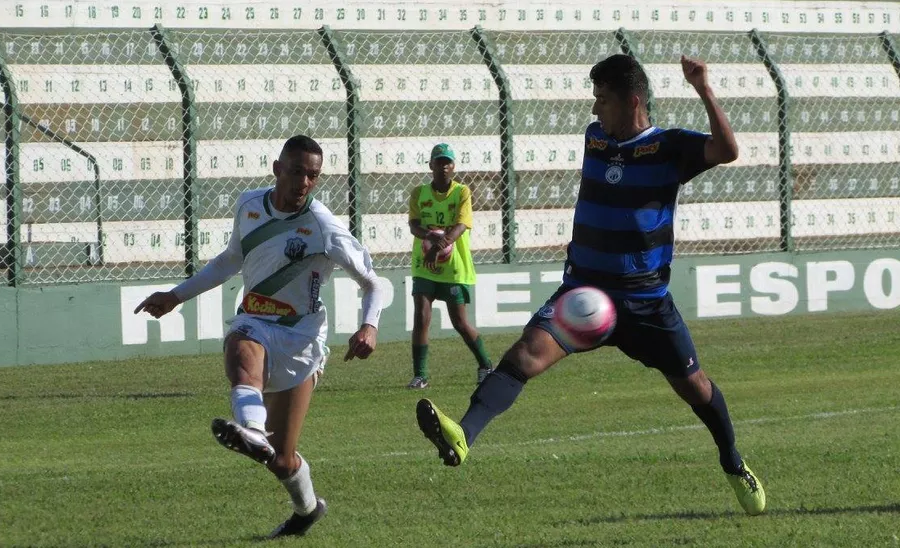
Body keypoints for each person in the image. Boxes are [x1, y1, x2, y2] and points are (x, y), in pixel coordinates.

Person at [414, 55, 767, 516]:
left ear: (633, 101)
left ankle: (733, 462)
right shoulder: (596, 137)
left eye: (603, 99)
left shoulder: (669, 147)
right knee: (523, 355)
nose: (596, 109)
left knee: (696, 387)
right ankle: (463, 434)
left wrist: (703, 89)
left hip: (645, 303)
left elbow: (727, 150)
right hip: (584, 293)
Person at [135, 135, 384, 537]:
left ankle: (306, 510)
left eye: (314, 175)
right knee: (240, 349)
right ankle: (251, 427)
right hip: (256, 320)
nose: (305, 182)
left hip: (302, 339)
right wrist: (176, 296)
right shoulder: (249, 205)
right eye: (298, 171)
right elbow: (231, 259)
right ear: (277, 169)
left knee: (282, 461)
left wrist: (369, 325)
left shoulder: (324, 226)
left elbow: (374, 283)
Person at [406, 143, 493, 389]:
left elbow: (461, 225)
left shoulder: (462, 192)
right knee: (421, 317)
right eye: (439, 162)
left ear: (453, 166)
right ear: (430, 166)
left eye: (448, 162)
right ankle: (420, 375)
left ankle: (486, 364)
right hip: (425, 265)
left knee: (460, 323)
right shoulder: (418, 193)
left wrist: (438, 244)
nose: (443, 167)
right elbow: (413, 225)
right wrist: (429, 237)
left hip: (454, 267)